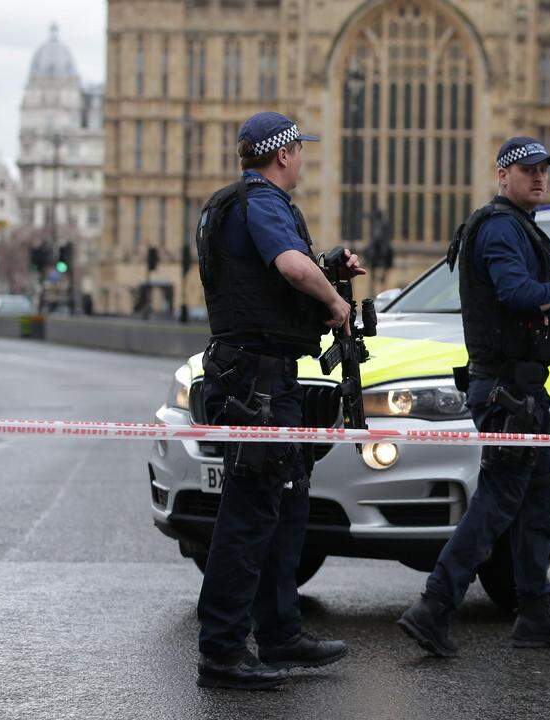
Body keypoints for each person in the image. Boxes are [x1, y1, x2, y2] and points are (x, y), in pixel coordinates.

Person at [397, 136, 550, 657]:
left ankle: (535, 612)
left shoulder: (517, 226)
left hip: (523, 388)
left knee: (538, 499)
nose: (538, 177)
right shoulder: (501, 228)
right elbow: (513, 292)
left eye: (543, 169)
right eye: (527, 169)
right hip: (507, 390)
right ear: (502, 175)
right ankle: (434, 606)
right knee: (497, 502)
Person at [194, 111, 364, 689]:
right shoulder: (262, 202)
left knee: (286, 505)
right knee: (248, 517)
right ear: (283, 154)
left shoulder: (230, 203)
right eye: (299, 149)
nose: (303, 159)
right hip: (257, 382)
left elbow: (274, 275)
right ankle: (221, 652)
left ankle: (280, 630)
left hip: (258, 376)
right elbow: (290, 268)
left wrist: (330, 267)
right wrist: (336, 303)